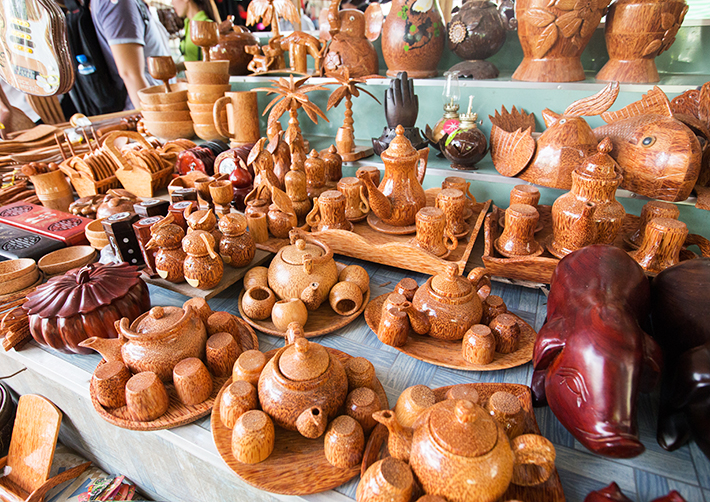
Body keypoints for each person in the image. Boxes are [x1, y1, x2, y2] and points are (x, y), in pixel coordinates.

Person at [91, 0, 172, 110]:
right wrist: (155, 120)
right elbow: (130, 73)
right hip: (149, 109)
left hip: (159, 105)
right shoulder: (119, 4)